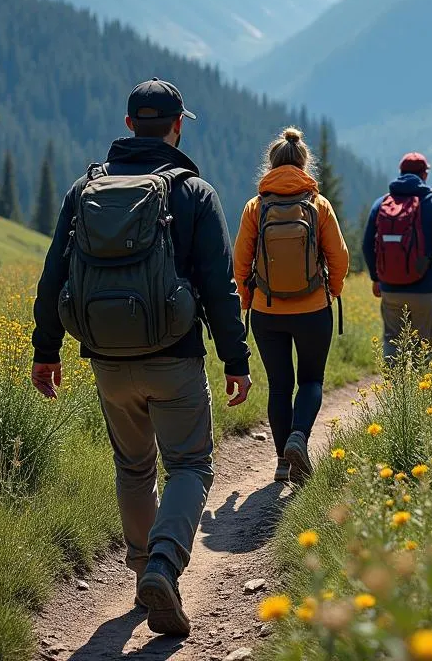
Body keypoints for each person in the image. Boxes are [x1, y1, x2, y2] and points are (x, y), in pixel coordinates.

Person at [31, 78, 251, 639]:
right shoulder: (193, 193)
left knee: (133, 467)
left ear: (129, 125)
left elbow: (55, 271)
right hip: (174, 354)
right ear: (177, 126)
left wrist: (45, 349)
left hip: (105, 357)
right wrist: (235, 358)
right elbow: (219, 285)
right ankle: (163, 566)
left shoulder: (86, 188)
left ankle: (139, 574)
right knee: (191, 464)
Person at [233, 127, 349, 485]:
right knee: (311, 380)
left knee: (279, 385)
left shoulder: (256, 207)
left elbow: (240, 261)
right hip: (313, 309)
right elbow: (340, 257)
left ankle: (283, 461)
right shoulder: (318, 204)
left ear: (271, 165)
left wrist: (248, 298)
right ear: (303, 164)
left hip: (268, 312)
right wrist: (330, 289)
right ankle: (300, 437)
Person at [361, 152, 432, 362]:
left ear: (400, 173)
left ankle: (394, 391)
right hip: (424, 288)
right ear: (424, 175)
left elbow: (366, 245)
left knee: (392, 340)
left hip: (390, 287)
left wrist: (376, 277)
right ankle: (420, 391)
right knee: (423, 347)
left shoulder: (381, 204)